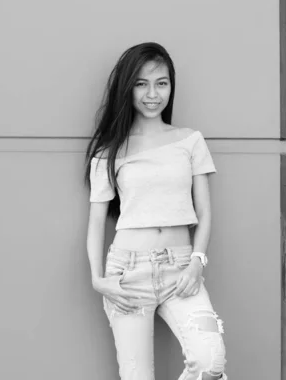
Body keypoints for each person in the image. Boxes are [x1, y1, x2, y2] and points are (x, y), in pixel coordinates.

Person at [84, 42, 227, 380]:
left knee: (211, 362)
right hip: (127, 275)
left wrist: (196, 262)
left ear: (171, 87)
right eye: (141, 83)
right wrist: (97, 280)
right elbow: (94, 223)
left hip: (182, 269)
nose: (153, 93)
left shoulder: (189, 140)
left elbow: (204, 213)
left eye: (161, 83)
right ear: (127, 88)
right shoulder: (109, 152)